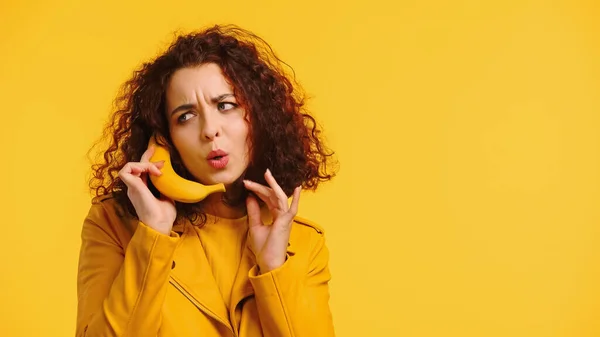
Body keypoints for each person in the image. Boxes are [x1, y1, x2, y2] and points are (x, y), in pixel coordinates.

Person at [75, 24, 338, 337]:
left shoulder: (304, 244)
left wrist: (274, 268)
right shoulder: (113, 224)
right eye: (185, 116)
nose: (210, 130)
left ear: (259, 116)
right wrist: (152, 237)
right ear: (164, 138)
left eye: (225, 106)